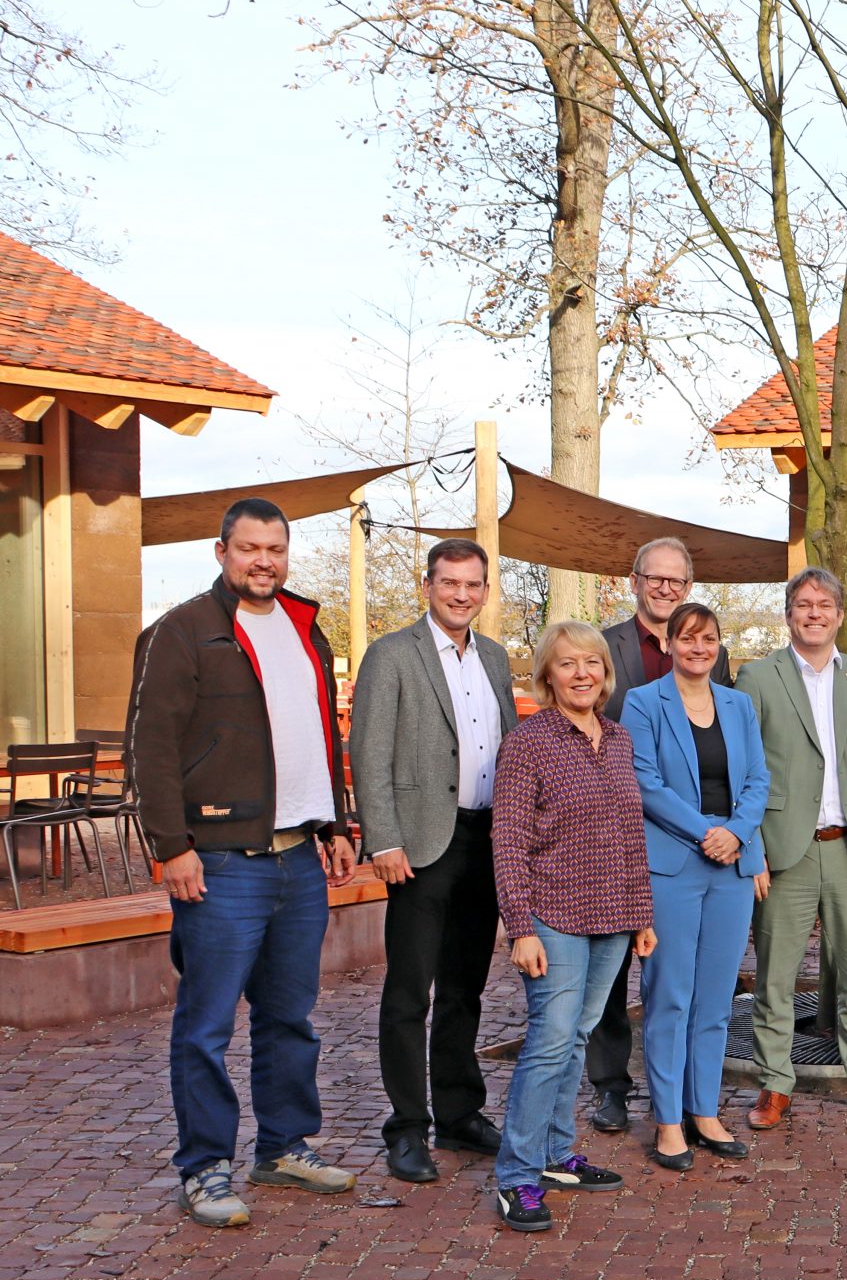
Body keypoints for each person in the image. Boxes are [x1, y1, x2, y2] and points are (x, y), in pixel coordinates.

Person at [131, 497, 361, 1228]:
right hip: (222, 860)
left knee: (290, 1016)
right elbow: (153, 746)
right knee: (205, 1025)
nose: (264, 560)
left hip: (299, 857)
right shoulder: (184, 630)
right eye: (249, 547)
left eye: (275, 548)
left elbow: (318, 734)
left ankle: (284, 1146)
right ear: (222, 550)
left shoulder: (304, 627)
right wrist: (171, 845)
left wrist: (335, 822)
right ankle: (204, 1168)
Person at [348, 537, 517, 1185]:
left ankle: (458, 1110)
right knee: (408, 992)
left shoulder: (497, 659)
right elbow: (370, 753)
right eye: (449, 582)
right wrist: (382, 838)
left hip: (483, 841)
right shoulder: (392, 655)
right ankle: (407, 1126)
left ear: (484, 590)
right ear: (428, 585)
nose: (461, 594)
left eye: (473, 584)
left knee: (465, 988)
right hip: (417, 846)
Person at [490, 621, 657, 1232]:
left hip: (613, 913)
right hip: (552, 913)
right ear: (548, 675)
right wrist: (520, 927)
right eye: (568, 664)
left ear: (605, 674)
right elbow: (507, 839)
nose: (582, 672)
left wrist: (641, 915)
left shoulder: (616, 739)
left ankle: (558, 1154)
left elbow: (629, 831)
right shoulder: (528, 741)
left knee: (581, 1032)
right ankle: (516, 1176)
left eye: (592, 662)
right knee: (551, 1038)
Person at [736, 567, 847, 1128]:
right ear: (788, 614)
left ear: (839, 615)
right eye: (802, 604)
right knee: (775, 977)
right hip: (784, 849)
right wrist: (752, 851)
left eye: (824, 605)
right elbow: (746, 770)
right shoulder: (757, 678)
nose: (813, 613)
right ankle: (774, 1083)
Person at [589, 537, 732, 1135]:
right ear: (635, 580)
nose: (666, 589)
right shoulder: (606, 647)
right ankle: (611, 1087)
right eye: (656, 578)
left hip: (682, 842)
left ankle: (678, 1098)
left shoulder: (711, 659)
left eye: (677, 581)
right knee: (611, 965)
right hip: (609, 823)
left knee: (671, 973)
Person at [626, 603, 771, 1171]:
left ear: (719, 645)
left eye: (708, 639)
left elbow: (759, 778)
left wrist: (735, 834)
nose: (698, 648)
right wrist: (706, 831)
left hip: (731, 867)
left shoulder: (738, 705)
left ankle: (703, 1111)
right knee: (669, 996)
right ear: (669, 643)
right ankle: (667, 1121)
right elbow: (646, 783)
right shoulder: (644, 703)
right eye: (687, 638)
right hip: (674, 866)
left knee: (715, 1001)